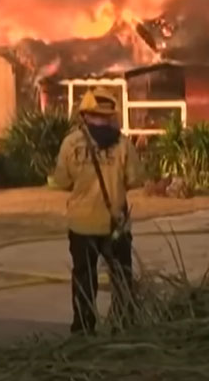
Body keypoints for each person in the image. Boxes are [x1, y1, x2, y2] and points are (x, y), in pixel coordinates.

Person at [51, 87, 145, 335]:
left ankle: (83, 328)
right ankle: (123, 326)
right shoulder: (123, 144)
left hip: (81, 224)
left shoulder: (70, 143)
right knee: (121, 278)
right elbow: (135, 179)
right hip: (116, 225)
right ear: (112, 115)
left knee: (84, 277)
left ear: (84, 115)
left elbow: (62, 181)